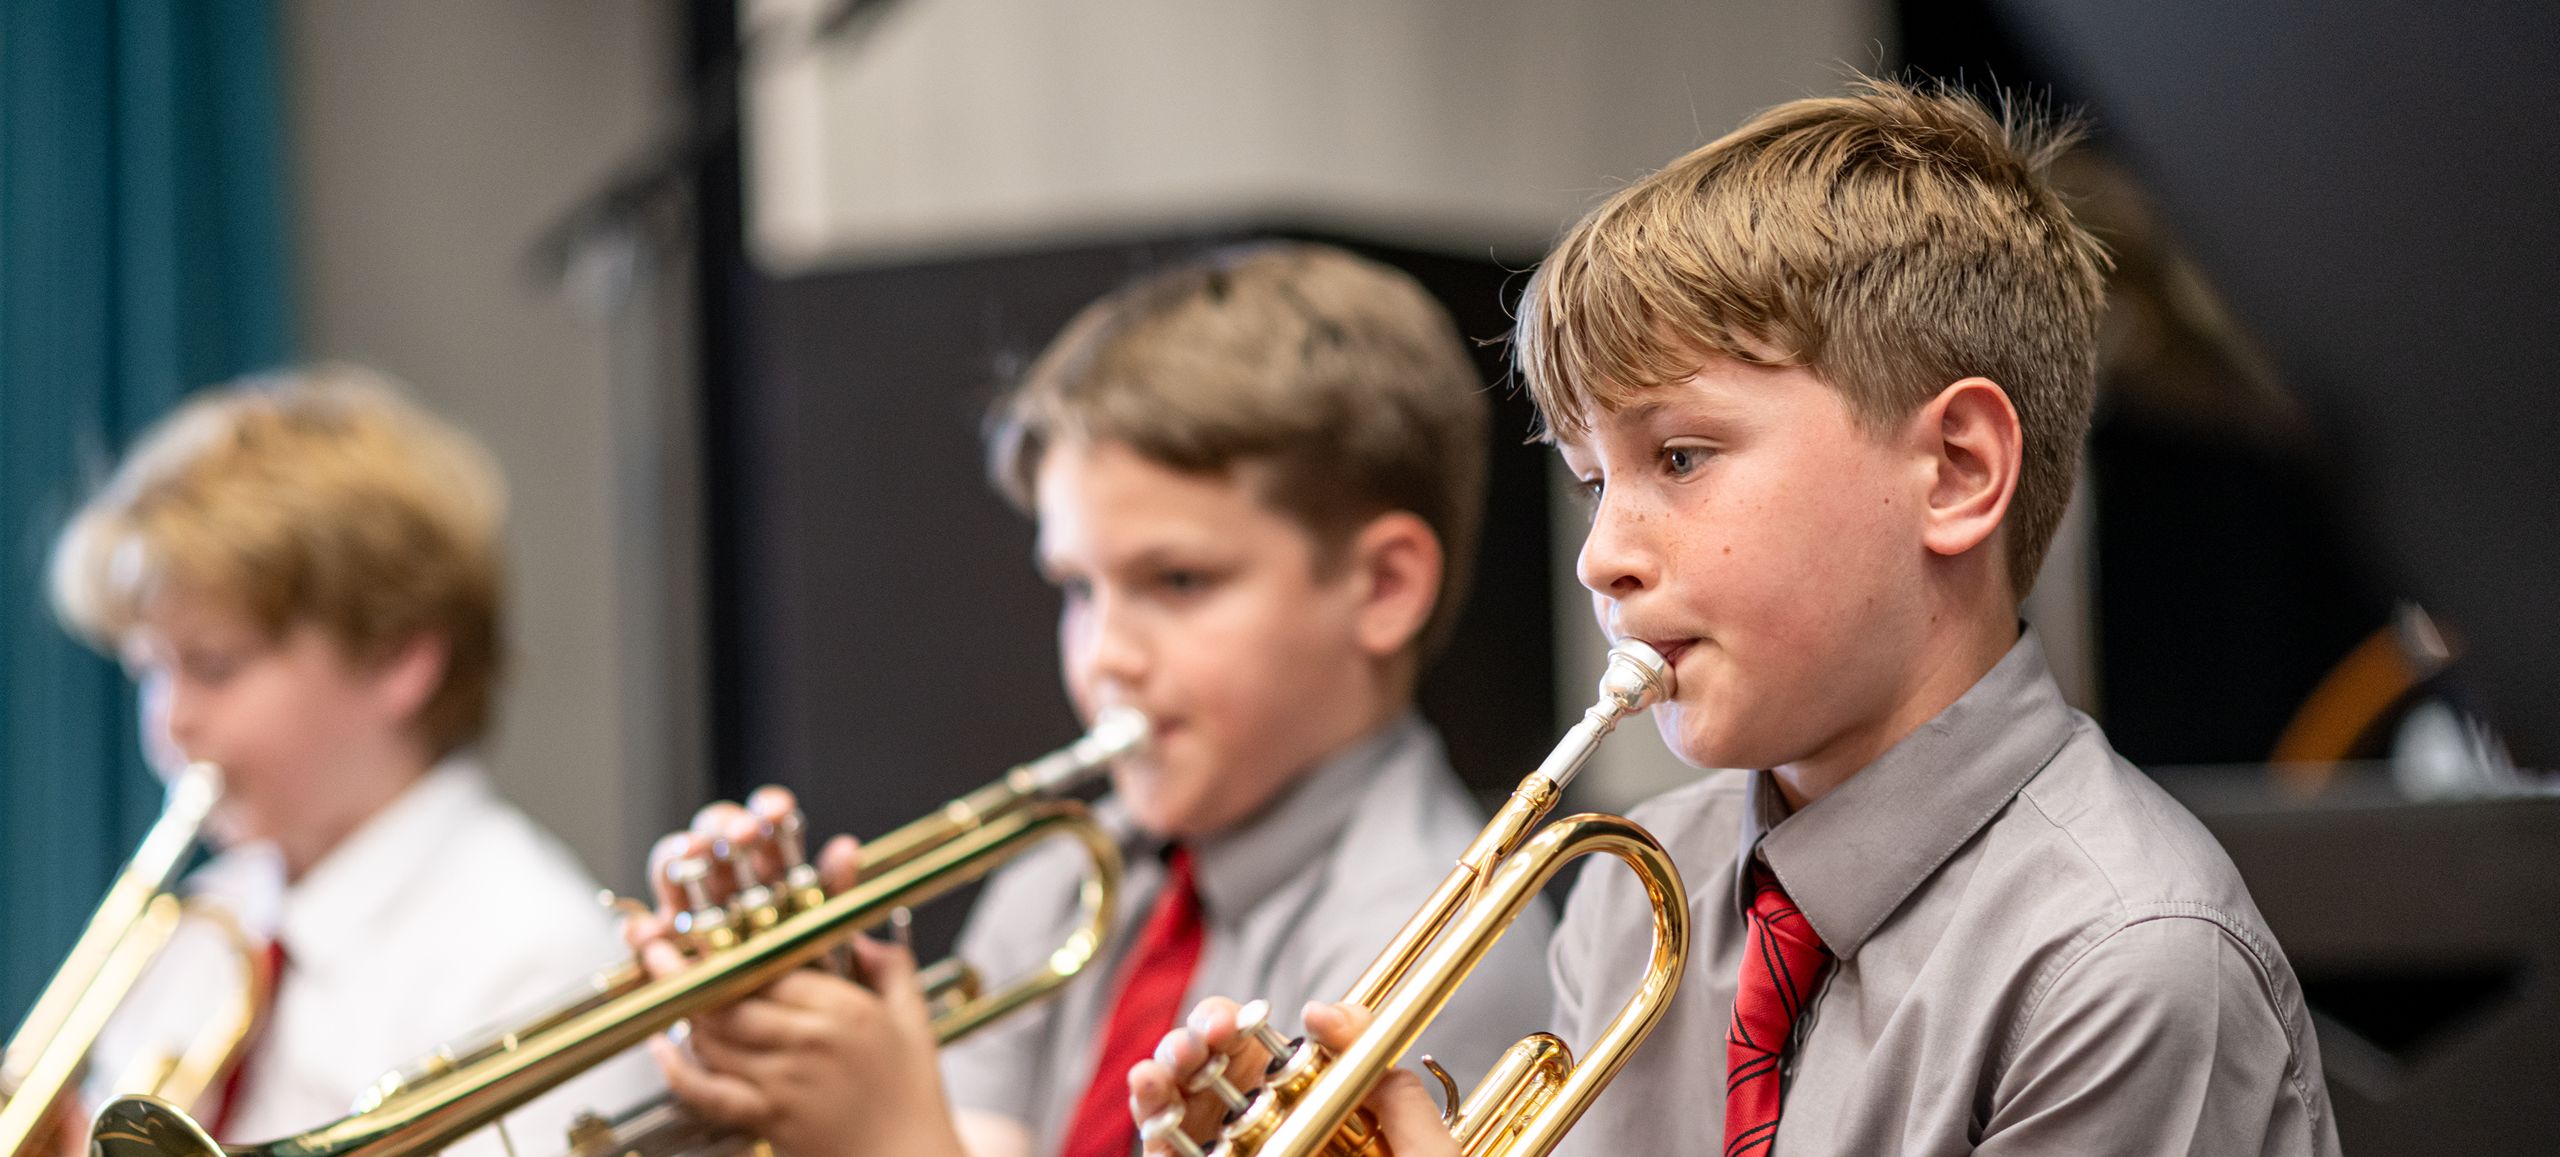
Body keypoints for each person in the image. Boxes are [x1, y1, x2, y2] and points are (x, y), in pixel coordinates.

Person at [1134, 80, 2340, 1157]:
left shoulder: (2120, 963)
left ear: (1957, 471)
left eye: (1682, 454)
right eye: (1592, 482)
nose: (1603, 557)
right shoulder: (1637, 888)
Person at [626, 242, 1554, 1157]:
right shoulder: (1062, 881)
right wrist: (805, 1041)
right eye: (1078, 588)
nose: (1105, 654)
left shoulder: (1438, 947)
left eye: (1179, 580)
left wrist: (885, 1133)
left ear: (1383, 586)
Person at [51, 366, 657, 1154]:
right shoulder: (207, 924)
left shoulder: (535, 958)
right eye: (149, 671)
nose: (171, 720)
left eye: (214, 665)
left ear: (398, 656)